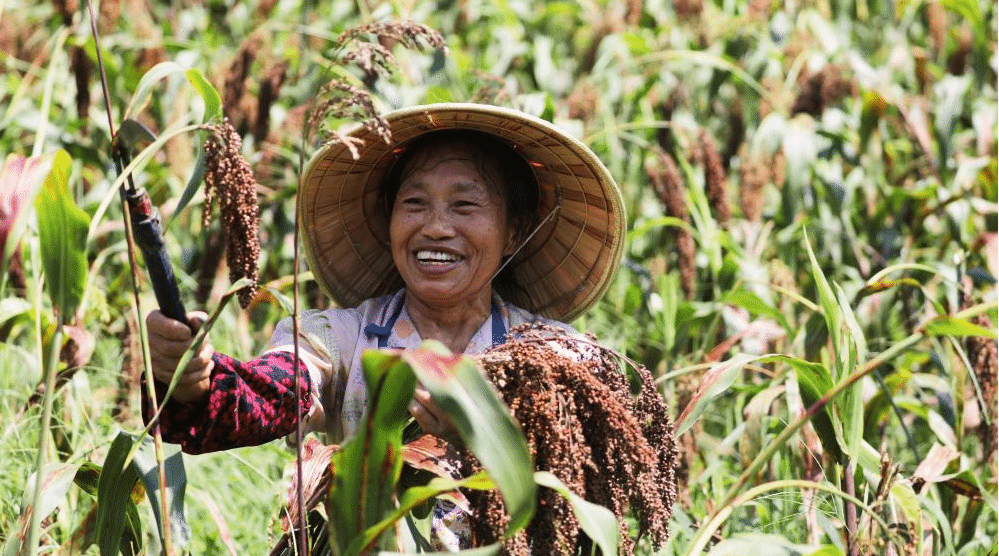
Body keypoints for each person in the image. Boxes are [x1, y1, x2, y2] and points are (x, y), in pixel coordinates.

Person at [143, 103, 625, 549]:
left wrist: (486, 437)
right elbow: (276, 391)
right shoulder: (341, 339)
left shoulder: (556, 356)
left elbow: (596, 483)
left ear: (513, 232)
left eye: (464, 206)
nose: (436, 227)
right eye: (414, 203)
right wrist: (194, 381)